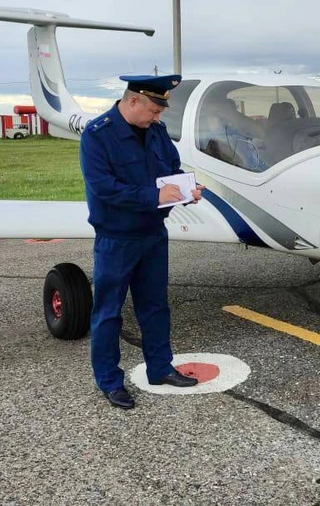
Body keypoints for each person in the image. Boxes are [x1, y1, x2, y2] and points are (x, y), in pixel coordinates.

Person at [79, 74, 206, 410]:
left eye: (160, 111)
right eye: (153, 109)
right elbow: (104, 188)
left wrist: (185, 190)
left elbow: (171, 167)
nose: (157, 117)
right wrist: (155, 194)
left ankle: (160, 368)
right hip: (117, 238)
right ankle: (109, 381)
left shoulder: (156, 132)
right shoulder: (98, 135)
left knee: (155, 307)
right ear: (133, 101)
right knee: (108, 313)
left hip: (153, 234)